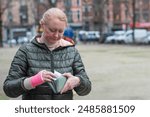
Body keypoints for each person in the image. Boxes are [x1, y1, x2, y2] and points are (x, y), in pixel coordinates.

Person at [3, 8, 91, 100]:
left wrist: (77, 81)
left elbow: (87, 88)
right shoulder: (25, 51)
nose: (56, 35)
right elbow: (8, 89)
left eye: (60, 31)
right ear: (42, 26)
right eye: (52, 30)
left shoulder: (72, 51)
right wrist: (33, 81)